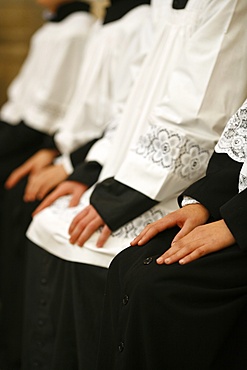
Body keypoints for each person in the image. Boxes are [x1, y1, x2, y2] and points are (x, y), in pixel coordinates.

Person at [23, 0, 247, 369]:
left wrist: (115, 200)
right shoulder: (160, 6)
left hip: (169, 178)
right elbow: (128, 105)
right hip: (139, 171)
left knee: (127, 267)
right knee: (47, 223)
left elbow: (199, 117)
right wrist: (89, 170)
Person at [96, 99, 247, 370]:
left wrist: (235, 223)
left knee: (159, 288)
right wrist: (202, 204)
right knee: (126, 263)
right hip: (233, 205)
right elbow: (237, 154)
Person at [0, 1, 95, 369]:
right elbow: (19, 104)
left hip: (57, 142)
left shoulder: (80, 29)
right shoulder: (53, 29)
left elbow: (52, 114)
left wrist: (58, 153)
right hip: (52, 140)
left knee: (21, 198)